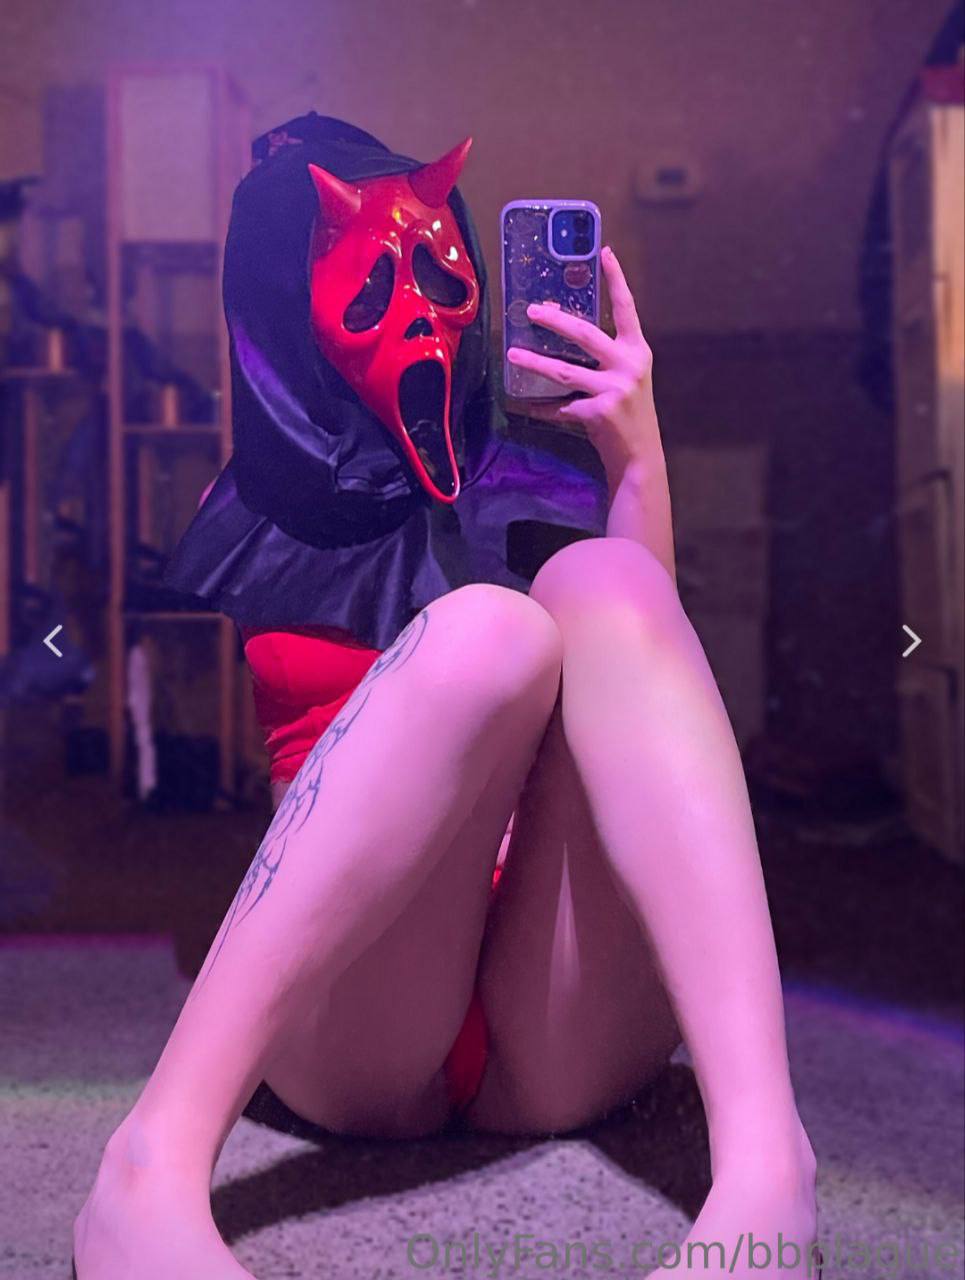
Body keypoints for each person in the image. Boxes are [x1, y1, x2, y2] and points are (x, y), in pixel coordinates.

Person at [73, 115, 817, 1280]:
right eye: (379, 286)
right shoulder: (268, 497)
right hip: (363, 1000)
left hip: (554, 1002)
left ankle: (768, 1168)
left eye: (439, 272)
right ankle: (147, 1166)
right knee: (487, 630)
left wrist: (635, 457)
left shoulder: (532, 466)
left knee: (609, 583)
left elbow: (644, 699)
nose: (424, 313)